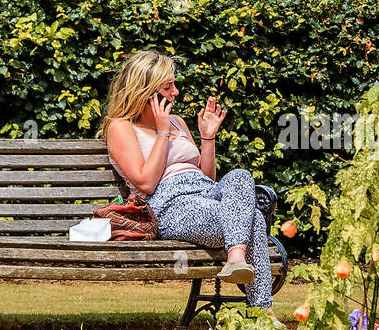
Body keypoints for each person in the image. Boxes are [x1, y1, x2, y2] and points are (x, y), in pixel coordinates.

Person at [98, 49, 276, 315]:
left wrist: (208, 138)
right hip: (170, 205)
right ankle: (262, 312)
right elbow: (146, 184)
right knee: (254, 219)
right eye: (168, 87)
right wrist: (161, 132)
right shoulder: (121, 127)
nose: (176, 92)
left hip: (206, 193)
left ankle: (236, 258)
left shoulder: (178, 122)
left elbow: (207, 177)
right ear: (145, 91)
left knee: (241, 176)